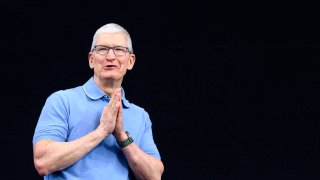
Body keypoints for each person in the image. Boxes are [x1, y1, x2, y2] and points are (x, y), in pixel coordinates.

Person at [32, 23, 164, 180]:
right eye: (102, 49)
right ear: (91, 60)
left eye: (119, 50)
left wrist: (122, 136)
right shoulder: (62, 101)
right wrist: (101, 132)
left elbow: (154, 175)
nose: (110, 57)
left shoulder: (140, 116)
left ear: (130, 61)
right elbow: (43, 161)